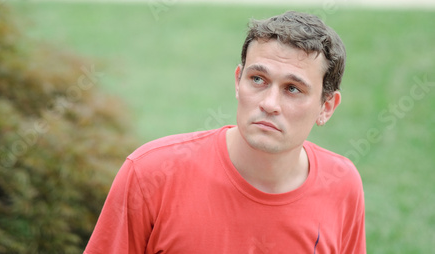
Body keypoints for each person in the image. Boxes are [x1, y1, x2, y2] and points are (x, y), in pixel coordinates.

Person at [84, 11, 366, 254]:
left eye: (293, 89)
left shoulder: (342, 184)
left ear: (326, 107)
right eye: (258, 79)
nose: (269, 103)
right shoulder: (149, 174)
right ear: (237, 81)